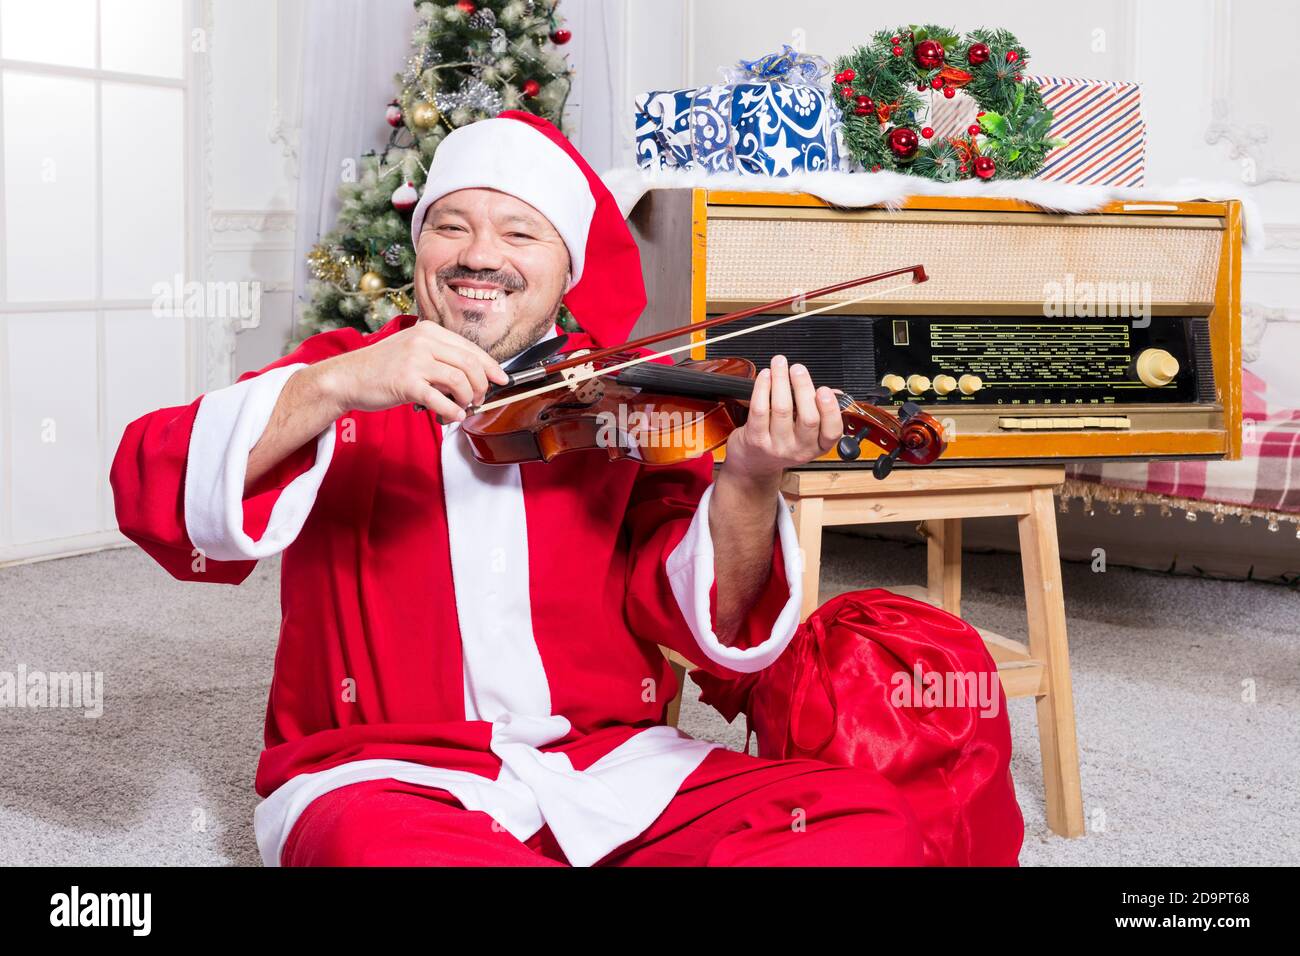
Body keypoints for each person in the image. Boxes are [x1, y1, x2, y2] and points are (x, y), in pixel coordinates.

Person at [110, 111, 924, 867]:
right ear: (420, 246)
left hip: (611, 768)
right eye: (450, 225)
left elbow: (712, 619)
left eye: (520, 233)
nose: (480, 256)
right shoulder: (344, 376)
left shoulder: (621, 413)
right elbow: (155, 479)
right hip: (385, 780)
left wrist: (750, 477)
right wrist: (333, 386)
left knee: (864, 825)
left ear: (566, 267)